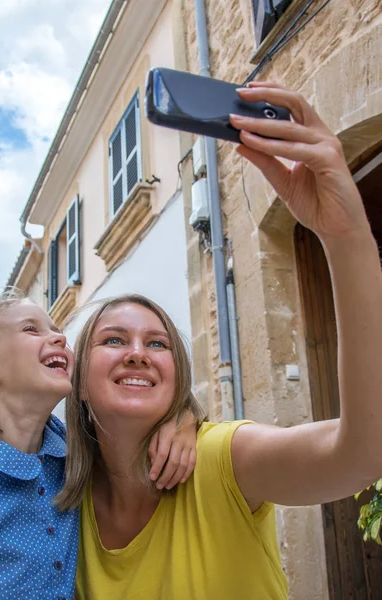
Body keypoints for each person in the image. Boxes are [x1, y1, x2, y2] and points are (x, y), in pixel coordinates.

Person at [59, 83, 382, 600]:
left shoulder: (222, 459)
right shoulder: (60, 506)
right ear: (77, 382)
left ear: (178, 377)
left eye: (159, 344)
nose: (138, 351)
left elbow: (362, 453)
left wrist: (343, 237)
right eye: (114, 339)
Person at [0, 294, 198, 600]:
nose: (59, 337)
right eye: (32, 329)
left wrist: (185, 418)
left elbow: (128, 437)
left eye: (56, 330)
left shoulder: (70, 458)